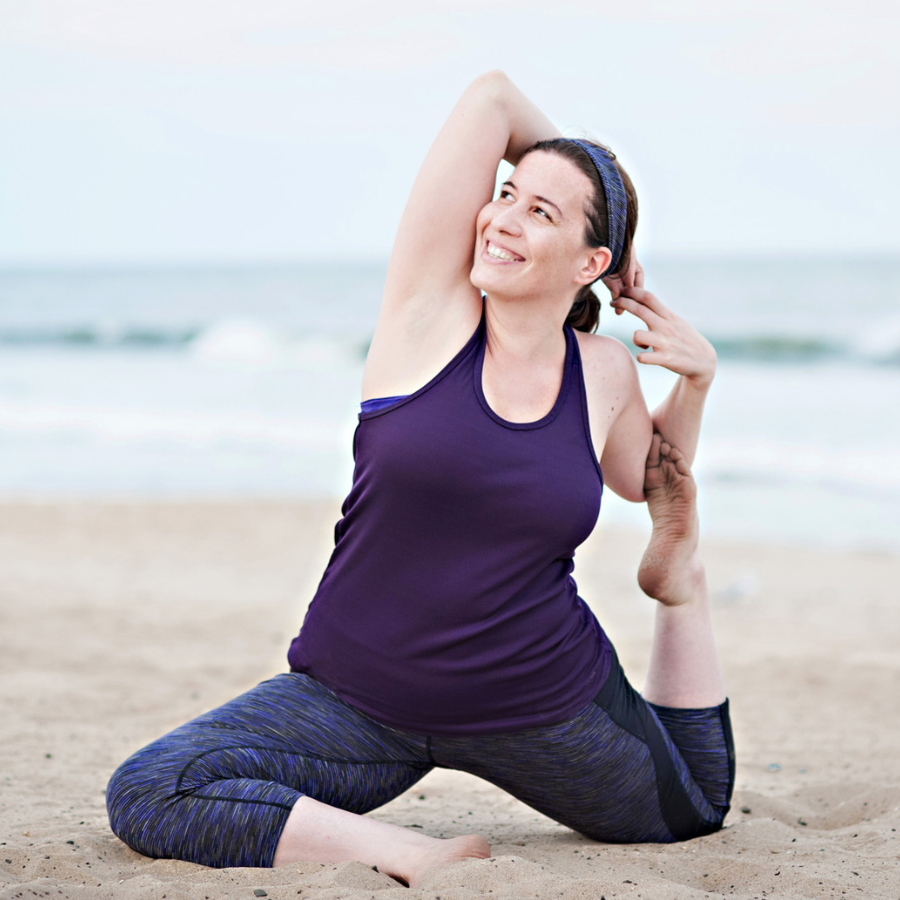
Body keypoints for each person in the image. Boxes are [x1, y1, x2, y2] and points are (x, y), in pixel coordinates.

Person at [106, 71, 733, 888]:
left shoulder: (604, 370)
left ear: (590, 260)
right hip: (358, 702)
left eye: (539, 213)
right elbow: (493, 99)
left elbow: (645, 480)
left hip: (541, 701)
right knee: (151, 791)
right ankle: (403, 850)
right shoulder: (426, 317)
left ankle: (682, 589)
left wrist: (696, 383)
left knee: (693, 808)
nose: (503, 219)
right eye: (508, 192)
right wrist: (594, 197)